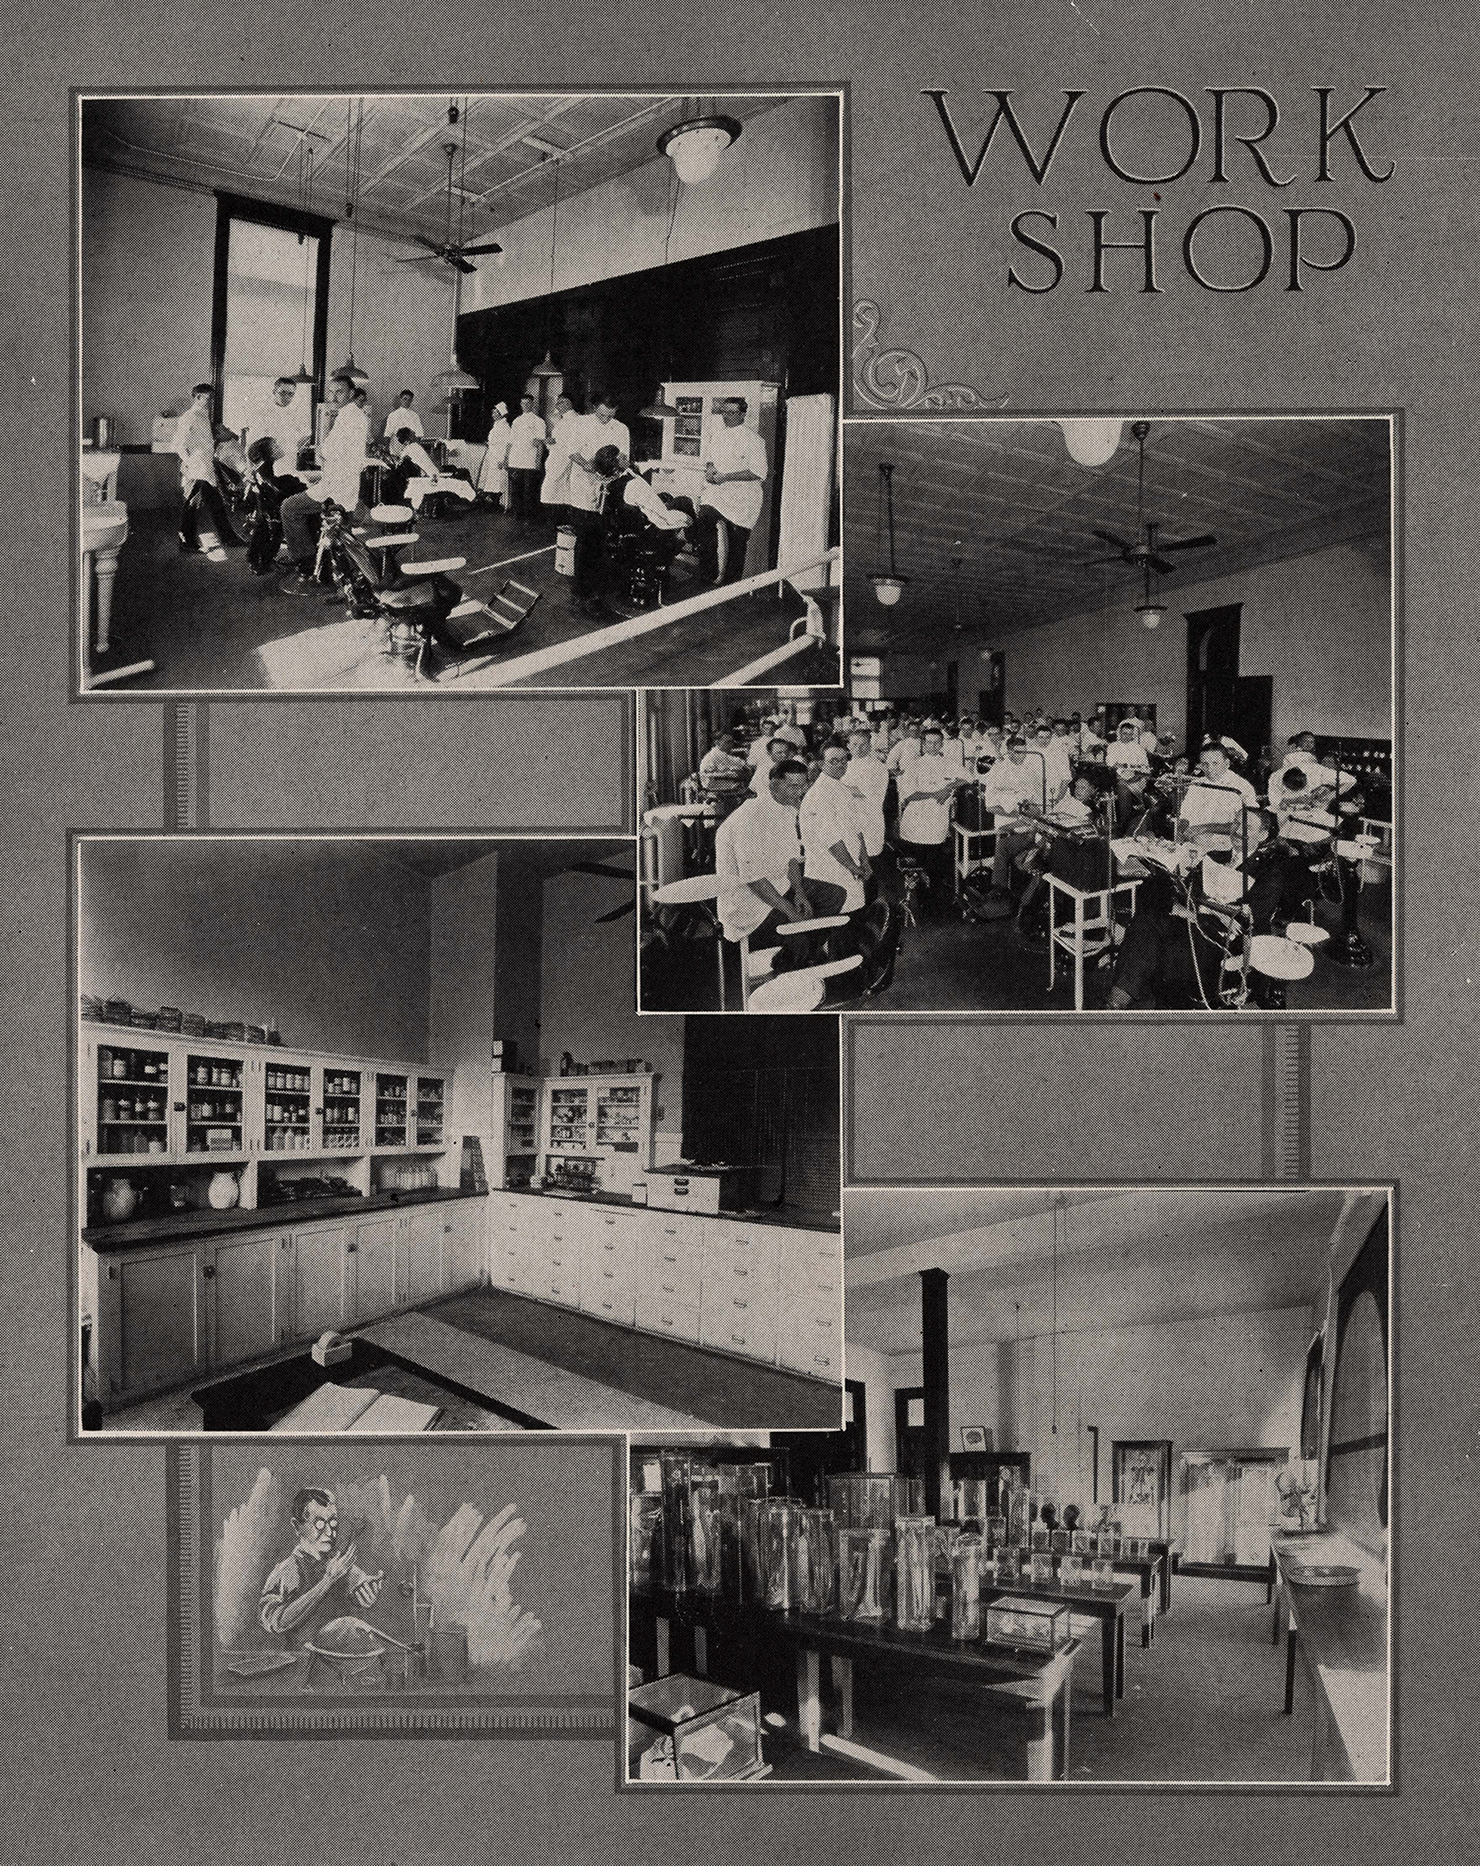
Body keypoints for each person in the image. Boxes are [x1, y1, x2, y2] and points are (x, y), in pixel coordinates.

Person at [1107, 807, 1290, 1009]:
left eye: (1247, 827)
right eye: (1236, 823)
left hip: (1228, 939)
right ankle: (1116, 1003)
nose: (1238, 830)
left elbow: (1250, 914)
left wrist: (1200, 909)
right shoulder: (1213, 856)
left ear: (1263, 835)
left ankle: (1148, 1001)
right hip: (1196, 921)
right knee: (1147, 920)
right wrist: (1178, 904)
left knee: (1168, 942)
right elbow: (1189, 891)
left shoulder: (1269, 871)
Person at [714, 758, 838, 997]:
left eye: (804, 785)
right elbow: (754, 880)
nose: (801, 792)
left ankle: (790, 958)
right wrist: (791, 912)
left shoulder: (787, 809)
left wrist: (799, 893)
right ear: (772, 786)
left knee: (834, 894)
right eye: (794, 786)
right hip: (749, 905)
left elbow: (792, 859)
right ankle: (789, 968)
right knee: (802, 927)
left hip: (778, 889)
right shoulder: (749, 818)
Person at [258, 1486, 384, 1647]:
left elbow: (360, 1584)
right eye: (319, 1523)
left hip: (339, 1660)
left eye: (332, 1522)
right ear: (297, 1526)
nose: (330, 1532)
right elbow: (276, 1623)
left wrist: (367, 1593)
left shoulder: (340, 1565)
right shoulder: (287, 1570)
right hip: (302, 1662)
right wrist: (327, 1581)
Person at [280, 372, 370, 590]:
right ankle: (332, 571)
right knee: (339, 533)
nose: (334, 395)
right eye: (331, 391)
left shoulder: (350, 417)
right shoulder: (351, 416)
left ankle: (306, 561)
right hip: (340, 484)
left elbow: (329, 451)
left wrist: (323, 452)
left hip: (336, 488)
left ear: (351, 393)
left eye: (339, 391)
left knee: (289, 508)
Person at [691, 395, 768, 586]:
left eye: (732, 412)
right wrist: (710, 469)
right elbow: (710, 459)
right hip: (718, 492)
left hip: (744, 496)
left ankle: (731, 587)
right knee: (704, 518)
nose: (727, 416)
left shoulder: (754, 440)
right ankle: (709, 573)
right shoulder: (717, 435)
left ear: (742, 414)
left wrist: (726, 477)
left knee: (737, 543)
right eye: (724, 412)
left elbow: (758, 472)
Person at [564, 392, 631, 611]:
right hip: (583, 489)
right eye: (602, 414)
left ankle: (598, 592)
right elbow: (571, 451)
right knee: (584, 541)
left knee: (602, 542)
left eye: (610, 415)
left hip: (608, 490)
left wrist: (621, 464)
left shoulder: (621, 429)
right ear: (595, 408)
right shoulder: (580, 423)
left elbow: (624, 458)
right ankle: (580, 592)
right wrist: (586, 464)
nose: (606, 419)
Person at [896, 726, 966, 914]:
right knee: (919, 866)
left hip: (937, 823)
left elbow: (967, 777)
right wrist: (937, 792)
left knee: (936, 866)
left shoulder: (948, 762)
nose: (933, 746)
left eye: (937, 742)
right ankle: (922, 905)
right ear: (923, 744)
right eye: (929, 742)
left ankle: (934, 904)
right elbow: (909, 795)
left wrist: (949, 787)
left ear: (942, 743)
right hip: (917, 823)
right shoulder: (914, 765)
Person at [800, 740, 871, 916]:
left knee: (852, 917)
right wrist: (854, 867)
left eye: (843, 760)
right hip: (829, 870)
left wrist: (865, 860)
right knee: (838, 923)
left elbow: (857, 830)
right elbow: (831, 840)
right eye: (833, 761)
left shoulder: (843, 789)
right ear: (822, 764)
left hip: (850, 866)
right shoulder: (818, 795)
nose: (840, 765)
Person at [172, 382, 237, 561]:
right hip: (197, 469)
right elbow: (178, 444)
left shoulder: (202, 417)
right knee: (191, 507)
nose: (210, 402)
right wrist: (189, 462)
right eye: (207, 398)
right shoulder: (189, 416)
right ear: (198, 397)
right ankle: (186, 542)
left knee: (216, 505)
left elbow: (203, 442)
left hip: (205, 468)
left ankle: (229, 538)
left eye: (211, 399)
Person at [977, 733, 1046, 898]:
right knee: (1008, 847)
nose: (1022, 756)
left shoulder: (1030, 771)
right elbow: (990, 807)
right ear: (1008, 752)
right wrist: (1018, 814)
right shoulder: (998, 771)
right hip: (1009, 823)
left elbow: (1038, 801)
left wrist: (1035, 812)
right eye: (1018, 752)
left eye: (1024, 752)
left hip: (1031, 823)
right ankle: (1000, 891)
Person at [1179, 739, 1258, 842]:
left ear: (1227, 763)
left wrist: (1207, 828)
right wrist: (1181, 830)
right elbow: (1185, 815)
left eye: (1215, 763)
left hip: (1227, 848)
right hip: (1194, 845)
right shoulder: (1196, 785)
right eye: (1205, 764)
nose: (1209, 769)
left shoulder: (1241, 787)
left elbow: (1248, 824)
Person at [844, 727, 889, 882]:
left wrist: (841, 788)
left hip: (869, 821)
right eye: (855, 744)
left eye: (863, 744)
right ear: (848, 746)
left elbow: (868, 795)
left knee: (870, 865)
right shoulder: (846, 766)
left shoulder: (879, 768)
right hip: (849, 821)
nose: (859, 748)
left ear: (870, 746)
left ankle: (873, 904)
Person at [255, 375, 312, 474]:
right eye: (282, 393)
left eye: (290, 394)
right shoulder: (263, 415)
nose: (286, 397)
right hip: (267, 466)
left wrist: (302, 442)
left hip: (290, 463)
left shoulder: (295, 414)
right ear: (274, 392)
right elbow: (253, 444)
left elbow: (306, 434)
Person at [539, 394, 576, 512]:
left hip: (563, 459)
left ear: (568, 403)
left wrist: (552, 442)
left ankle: (555, 520)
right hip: (556, 458)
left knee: (552, 490)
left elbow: (569, 443)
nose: (557, 406)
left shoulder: (573, 420)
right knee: (554, 491)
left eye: (560, 403)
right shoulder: (563, 420)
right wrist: (549, 442)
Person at [477, 401, 511, 507]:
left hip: (499, 457)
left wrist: (504, 460)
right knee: (490, 480)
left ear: (501, 414)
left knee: (497, 482)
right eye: (493, 412)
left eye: (496, 412)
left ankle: (496, 504)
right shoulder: (496, 425)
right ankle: (491, 503)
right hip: (492, 455)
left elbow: (507, 444)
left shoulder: (505, 427)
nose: (493, 414)